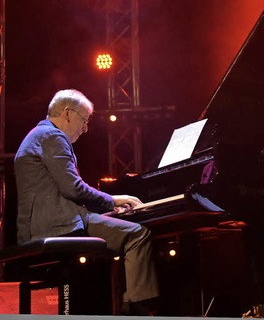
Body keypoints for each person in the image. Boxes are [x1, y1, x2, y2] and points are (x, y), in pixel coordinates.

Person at [13, 89, 159, 315]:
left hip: (37, 228)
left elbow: (63, 192)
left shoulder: (36, 135)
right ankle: (138, 311)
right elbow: (74, 188)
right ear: (68, 113)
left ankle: (116, 305)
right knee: (137, 234)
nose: (85, 128)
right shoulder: (53, 136)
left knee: (113, 239)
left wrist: (107, 209)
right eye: (84, 119)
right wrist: (112, 200)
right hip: (58, 226)